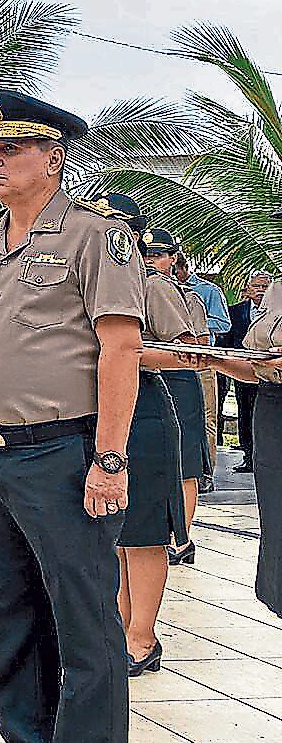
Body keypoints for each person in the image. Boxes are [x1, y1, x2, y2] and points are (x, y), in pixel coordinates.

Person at [0, 91, 142, 743]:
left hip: (63, 451)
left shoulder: (94, 237)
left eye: (12, 149)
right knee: (11, 613)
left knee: (82, 621)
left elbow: (120, 347)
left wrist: (109, 458)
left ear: (54, 159)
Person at [115, 220, 202, 677]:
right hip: (95, 405)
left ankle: (142, 636)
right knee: (113, 532)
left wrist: (125, 350)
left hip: (144, 403)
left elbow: (187, 350)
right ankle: (121, 626)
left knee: (143, 529)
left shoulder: (150, 285)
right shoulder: (85, 278)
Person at [205, 281, 282, 617]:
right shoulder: (277, 290)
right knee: (277, 524)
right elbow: (258, 369)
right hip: (272, 409)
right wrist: (211, 360)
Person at [150, 242, 211, 564]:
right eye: (147, 254)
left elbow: (195, 345)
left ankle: (182, 539)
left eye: (158, 255)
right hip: (151, 380)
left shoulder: (181, 294)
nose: (151, 261)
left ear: (173, 258)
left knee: (185, 464)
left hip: (178, 378)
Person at [181, 259, 230, 486]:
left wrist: (193, 321)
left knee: (207, 417)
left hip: (203, 361)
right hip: (174, 361)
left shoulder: (208, 291)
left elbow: (223, 323)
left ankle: (206, 474)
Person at [226, 274, 272, 472]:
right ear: (248, 288)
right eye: (257, 286)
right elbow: (228, 340)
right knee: (245, 413)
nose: (260, 290)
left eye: (265, 286)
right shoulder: (236, 311)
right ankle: (248, 456)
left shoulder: (276, 312)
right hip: (243, 371)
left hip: (270, 373)